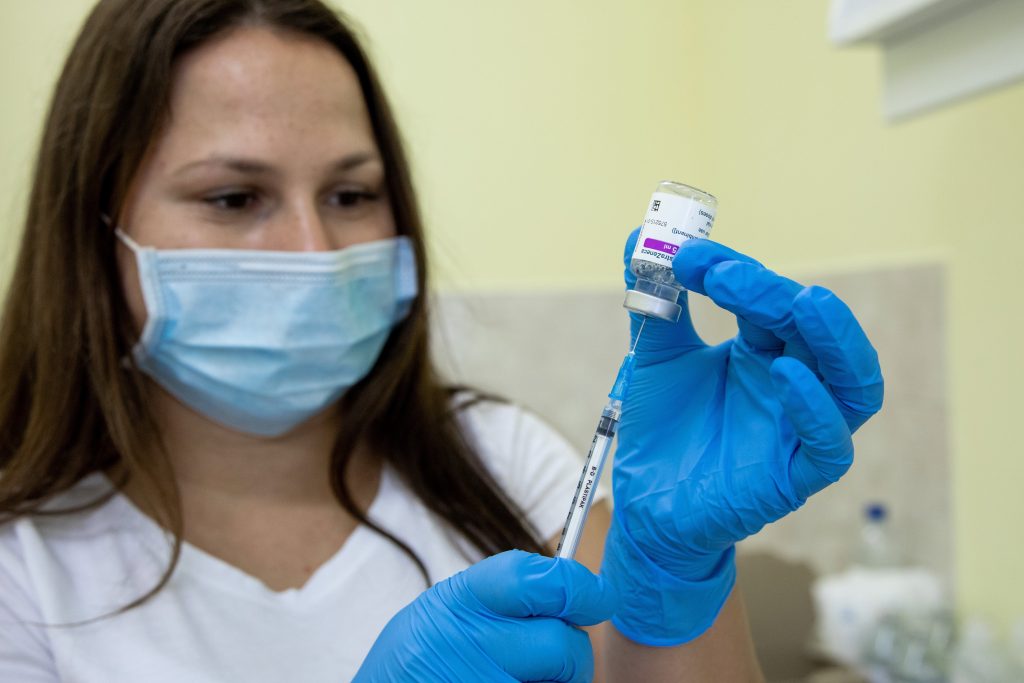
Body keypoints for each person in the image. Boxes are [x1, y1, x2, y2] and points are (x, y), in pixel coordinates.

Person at [0, 1, 884, 681]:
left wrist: (673, 582)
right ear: (94, 228)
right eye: (234, 198)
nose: (315, 250)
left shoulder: (499, 462)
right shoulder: (24, 566)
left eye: (351, 195)